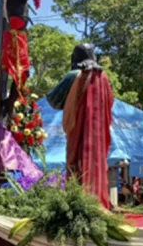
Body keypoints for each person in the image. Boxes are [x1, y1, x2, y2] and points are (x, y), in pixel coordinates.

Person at [47, 44, 115, 208]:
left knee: (76, 164)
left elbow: (53, 101)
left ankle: (78, 203)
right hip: (98, 136)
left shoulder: (74, 75)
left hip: (78, 131)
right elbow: (110, 102)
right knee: (96, 164)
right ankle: (97, 201)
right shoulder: (103, 77)